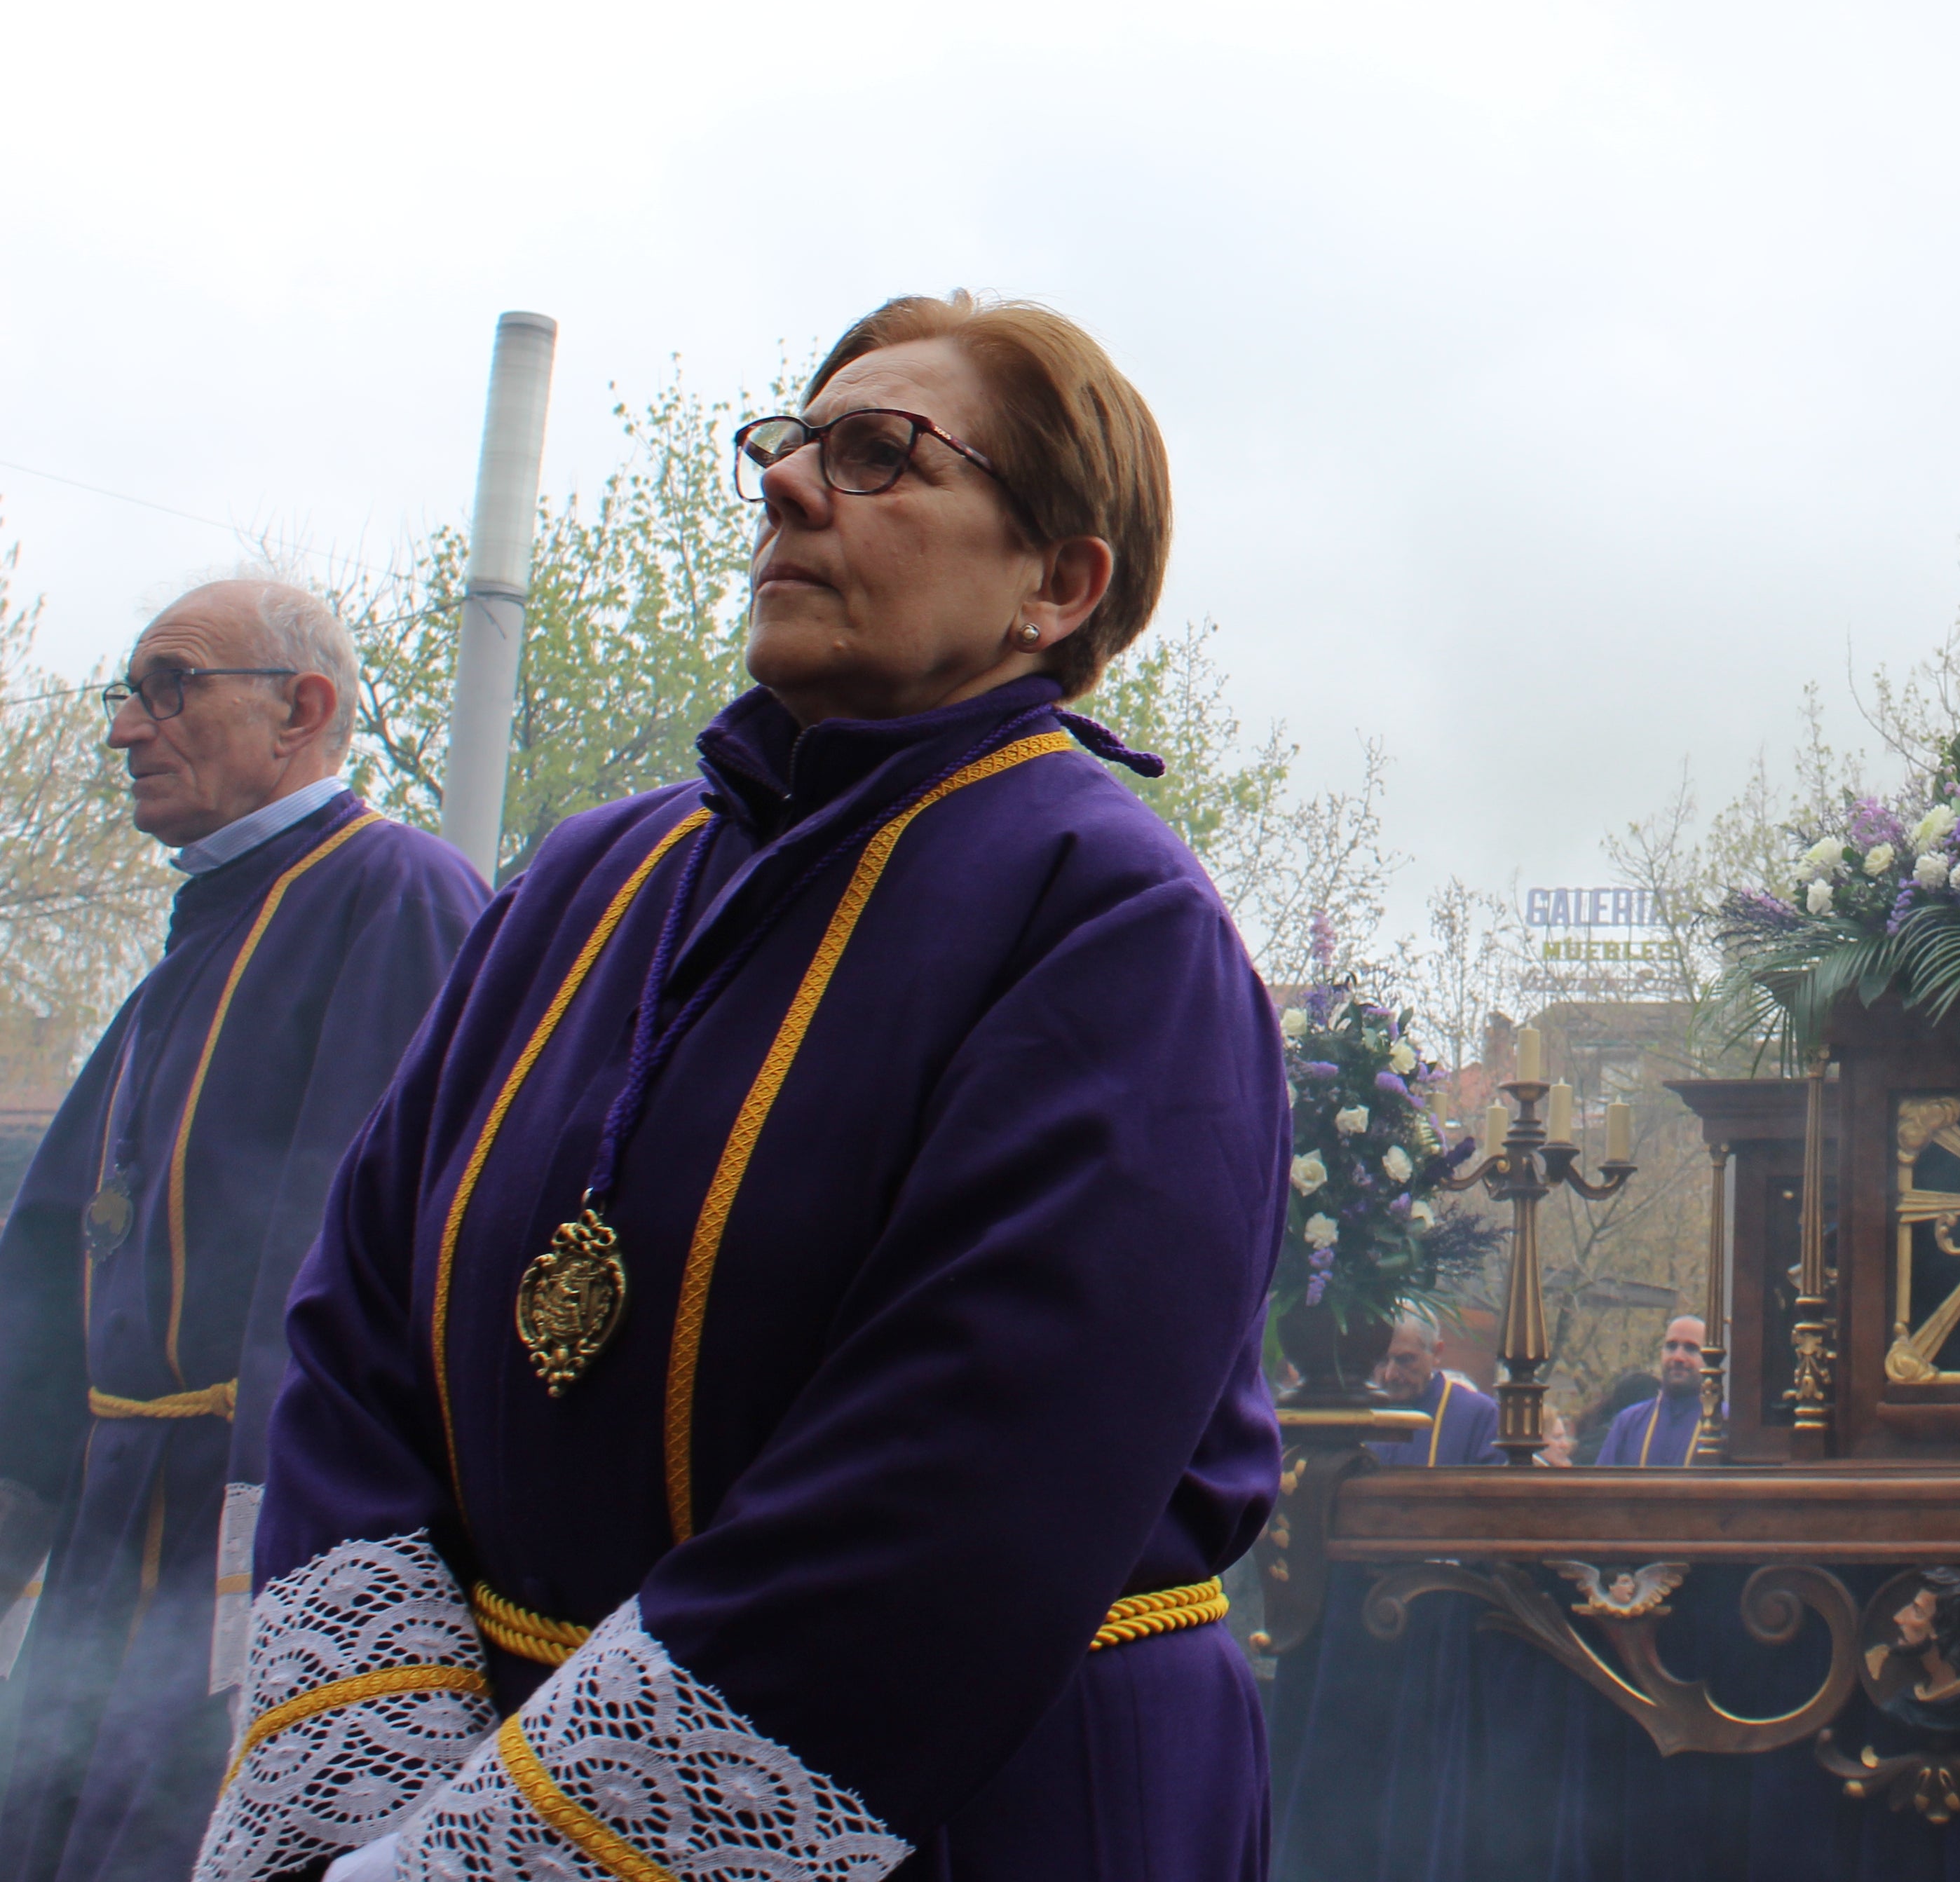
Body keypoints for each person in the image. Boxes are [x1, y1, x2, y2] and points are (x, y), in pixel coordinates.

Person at [191, 293, 1289, 1882]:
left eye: (875, 454)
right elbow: (357, 1329)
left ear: (1057, 582)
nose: (783, 483)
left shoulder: (1114, 918)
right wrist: (397, 1792)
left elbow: (956, 1498)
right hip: (459, 1767)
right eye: (787, 441)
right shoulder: (587, 874)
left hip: (970, 1804)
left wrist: (499, 1851)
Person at [0, 581, 484, 1882]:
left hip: (241, 1538)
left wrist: (271, 1570)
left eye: (169, 687)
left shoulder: (395, 896)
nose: (123, 730)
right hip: (115, 1532)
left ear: (303, 710)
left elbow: (354, 1259)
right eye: (129, 692)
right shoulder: (211, 918)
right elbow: (62, 1240)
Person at [1366, 1315, 1499, 1468]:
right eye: (1382, 1361)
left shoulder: (1480, 1416)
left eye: (1405, 1359)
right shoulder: (1360, 1414)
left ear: (1437, 1353)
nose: (1390, 1375)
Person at [1590, 1316, 1710, 1466]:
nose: (1678, 1357)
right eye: (1671, 1347)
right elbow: (1602, 1486)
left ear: (1710, 1358)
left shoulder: (1723, 1424)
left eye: (1691, 1349)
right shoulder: (1629, 1422)